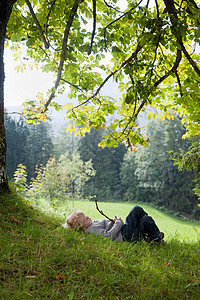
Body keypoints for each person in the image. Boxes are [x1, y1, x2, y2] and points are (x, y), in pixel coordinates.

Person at [63, 205, 165, 244]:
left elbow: (107, 227)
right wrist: (118, 223)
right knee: (136, 209)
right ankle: (147, 234)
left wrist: (112, 222)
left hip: (124, 231)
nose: (88, 217)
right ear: (83, 226)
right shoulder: (91, 229)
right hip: (125, 235)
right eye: (86, 219)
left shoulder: (92, 225)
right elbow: (109, 236)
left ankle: (155, 239)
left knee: (146, 219)